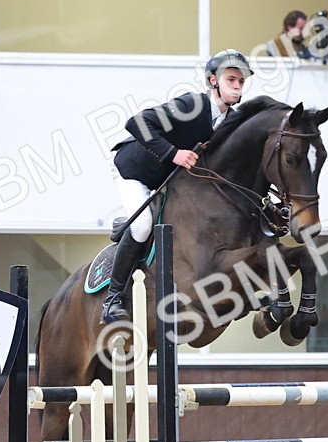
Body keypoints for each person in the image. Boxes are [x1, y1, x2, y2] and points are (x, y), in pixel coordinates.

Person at [102, 48, 254, 324]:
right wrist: (174, 153)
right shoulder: (191, 106)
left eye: (241, 81)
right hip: (135, 172)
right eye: (231, 79)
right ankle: (113, 298)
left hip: (169, 181)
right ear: (213, 81)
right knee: (142, 226)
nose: (237, 85)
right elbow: (137, 123)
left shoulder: (230, 122)